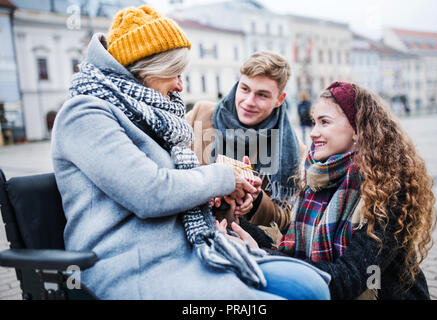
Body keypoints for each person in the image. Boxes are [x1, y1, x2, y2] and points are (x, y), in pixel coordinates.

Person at [51, 5, 330, 299]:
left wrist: (226, 193)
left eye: (262, 94)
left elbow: (173, 185)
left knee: (313, 287)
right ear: (148, 68)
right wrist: (223, 176)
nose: (181, 85)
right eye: (176, 72)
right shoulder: (84, 114)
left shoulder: (149, 116)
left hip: (190, 248)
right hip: (135, 264)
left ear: (279, 99)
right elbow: (151, 192)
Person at [222, 81, 436, 300]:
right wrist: (231, 219)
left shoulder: (386, 189)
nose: (313, 133)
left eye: (324, 122)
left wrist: (258, 254)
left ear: (358, 129)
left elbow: (347, 279)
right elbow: (290, 247)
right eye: (314, 122)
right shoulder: (318, 176)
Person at [187, 51, 304, 245]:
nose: (249, 101)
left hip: (243, 248)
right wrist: (210, 185)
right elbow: (172, 172)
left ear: (280, 99)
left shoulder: (294, 151)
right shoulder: (201, 115)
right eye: (245, 89)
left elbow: (287, 221)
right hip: (190, 235)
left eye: (262, 95)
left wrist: (257, 200)